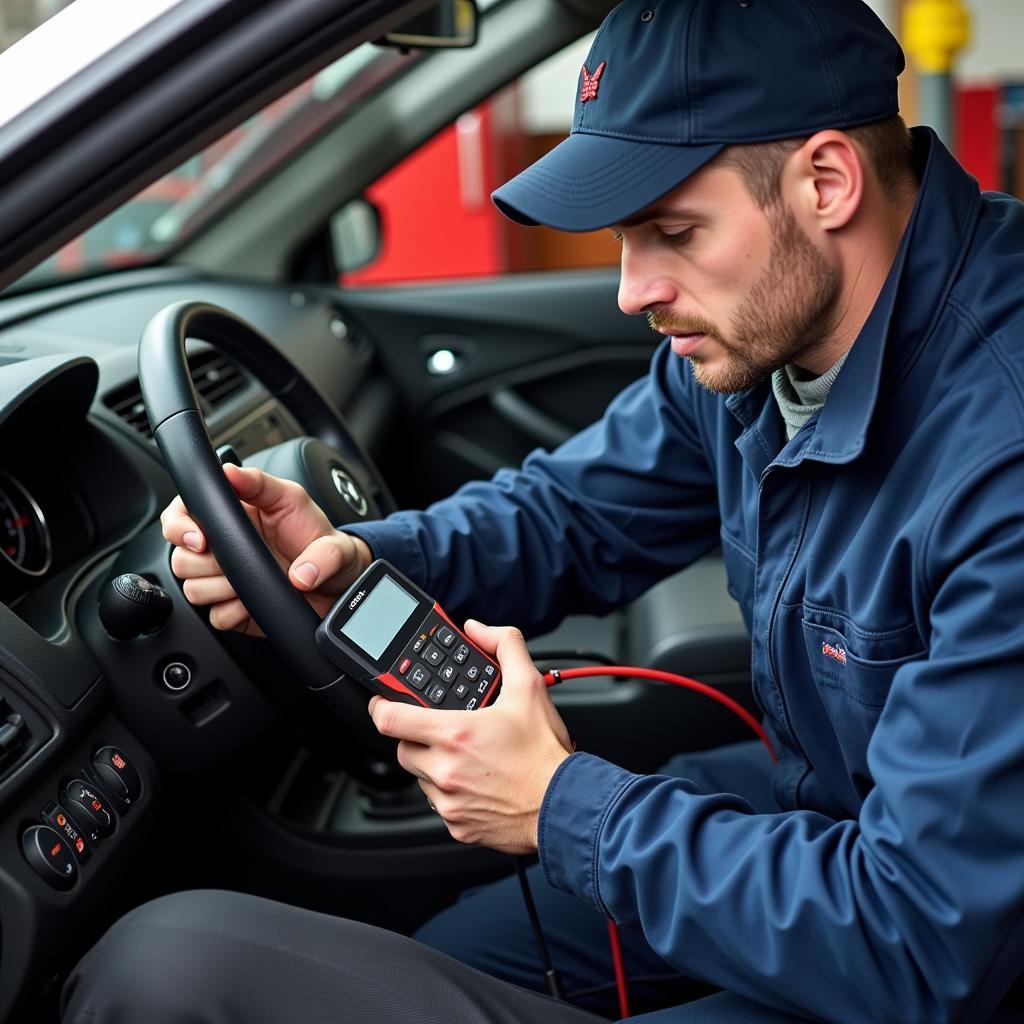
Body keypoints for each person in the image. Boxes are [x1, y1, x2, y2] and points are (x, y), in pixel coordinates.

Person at [62, 0, 1024, 1021]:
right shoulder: (760, 344)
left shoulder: (997, 455)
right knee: (445, 956)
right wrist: (346, 561)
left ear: (825, 182)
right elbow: (571, 515)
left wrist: (564, 809)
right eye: (621, 236)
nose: (631, 290)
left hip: (928, 953)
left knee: (170, 972)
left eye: (670, 231)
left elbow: (923, 936)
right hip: (826, 820)